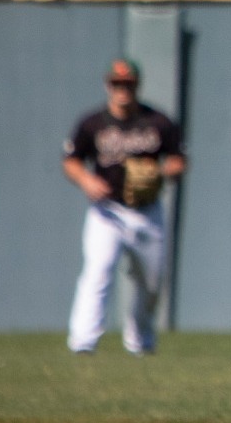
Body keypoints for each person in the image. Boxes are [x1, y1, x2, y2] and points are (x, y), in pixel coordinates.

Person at [62, 58, 186, 355]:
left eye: (128, 84)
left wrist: (161, 173)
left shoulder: (158, 122)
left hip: (147, 212)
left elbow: (178, 160)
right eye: (117, 84)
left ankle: (140, 341)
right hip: (107, 212)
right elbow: (72, 160)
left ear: (137, 86)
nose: (122, 90)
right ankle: (83, 342)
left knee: (152, 284)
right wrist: (86, 181)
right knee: (98, 271)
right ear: (108, 85)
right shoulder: (92, 123)